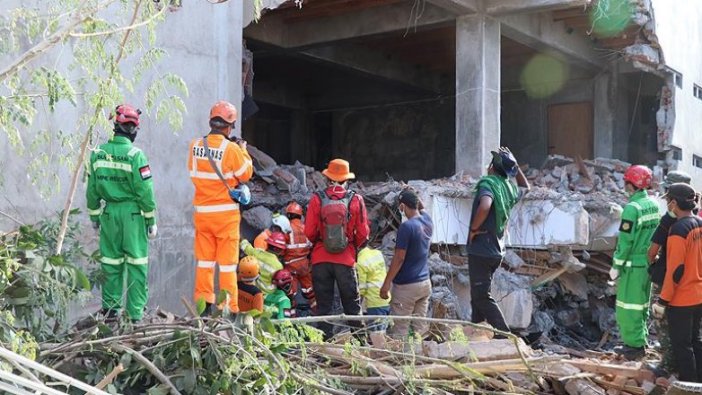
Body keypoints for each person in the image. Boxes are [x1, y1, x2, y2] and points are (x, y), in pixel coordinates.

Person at [86, 104, 157, 322]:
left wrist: (96, 217)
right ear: (133, 129)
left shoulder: (97, 154)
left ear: (115, 126)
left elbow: (91, 190)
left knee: (111, 263)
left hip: (109, 215)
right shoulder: (136, 155)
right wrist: (150, 219)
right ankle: (135, 315)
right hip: (133, 215)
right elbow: (145, 191)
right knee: (136, 264)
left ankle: (110, 311)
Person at [188, 100, 254, 315]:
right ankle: (228, 308)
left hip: (203, 214)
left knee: (204, 262)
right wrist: (243, 151)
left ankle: (203, 306)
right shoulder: (232, 149)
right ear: (229, 126)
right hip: (225, 216)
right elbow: (245, 174)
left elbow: (194, 172)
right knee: (226, 265)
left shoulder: (195, 145)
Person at [467, 147, 530, 336]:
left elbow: (485, 205)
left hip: (482, 248)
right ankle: (477, 333)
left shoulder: (489, 185)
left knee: (481, 295)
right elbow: (526, 188)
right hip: (496, 249)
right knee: (477, 295)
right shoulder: (508, 187)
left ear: (492, 167)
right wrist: (515, 167)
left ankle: (506, 336)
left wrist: (473, 229)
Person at [305, 159, 370, 340]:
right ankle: (361, 344)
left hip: (320, 260)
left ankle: (324, 346)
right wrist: (351, 245)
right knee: (352, 307)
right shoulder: (356, 199)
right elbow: (363, 233)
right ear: (346, 179)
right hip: (346, 260)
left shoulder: (317, 199)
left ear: (328, 178)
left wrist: (321, 242)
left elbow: (309, 232)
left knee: (324, 308)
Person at [652, 183, 702, 382]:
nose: (667, 205)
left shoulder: (677, 231)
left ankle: (689, 385)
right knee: (696, 341)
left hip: (682, 299)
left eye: (667, 201)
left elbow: (675, 271)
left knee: (682, 345)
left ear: (673, 203)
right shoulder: (699, 223)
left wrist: (662, 301)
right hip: (699, 294)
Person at [611, 165, 660, 360]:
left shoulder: (632, 209)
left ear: (631, 184)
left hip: (632, 266)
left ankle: (634, 346)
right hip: (648, 263)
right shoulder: (653, 205)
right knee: (641, 306)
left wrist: (616, 266)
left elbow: (625, 243)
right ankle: (641, 339)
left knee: (627, 307)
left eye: (626, 182)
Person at [647, 170, 692, 371]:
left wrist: (653, 265)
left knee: (662, 322)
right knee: (690, 330)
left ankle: (669, 365)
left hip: (670, 277)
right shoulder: (695, 216)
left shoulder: (670, 219)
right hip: (693, 281)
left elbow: (652, 250)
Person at [380, 190, 432, 338]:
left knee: (399, 331)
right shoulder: (428, 220)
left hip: (406, 288)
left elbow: (399, 258)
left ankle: (403, 360)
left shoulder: (406, 227)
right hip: (424, 284)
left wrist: (386, 283)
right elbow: (422, 208)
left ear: (402, 206)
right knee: (418, 331)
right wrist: (412, 194)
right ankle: (420, 358)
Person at [284, 201, 315, 309]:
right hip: (304, 265)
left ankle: (291, 316)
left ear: (288, 215)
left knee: (290, 293)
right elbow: (311, 245)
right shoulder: (305, 228)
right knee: (310, 290)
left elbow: (281, 247)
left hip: (291, 266)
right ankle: (318, 313)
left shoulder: (287, 229)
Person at [357, 246, 391, 332]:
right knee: (383, 330)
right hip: (385, 298)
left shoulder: (361, 262)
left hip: (374, 302)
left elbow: (362, 288)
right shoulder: (377, 253)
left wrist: (358, 305)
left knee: (377, 334)